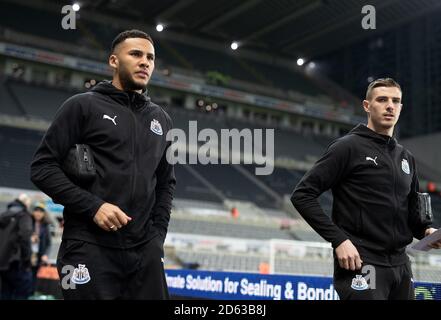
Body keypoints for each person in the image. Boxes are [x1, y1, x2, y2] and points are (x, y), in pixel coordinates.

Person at [30, 29, 176, 299]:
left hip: (144, 252)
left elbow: (166, 183)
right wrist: (93, 206)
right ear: (113, 61)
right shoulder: (81, 106)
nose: (145, 62)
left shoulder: (162, 120)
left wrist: (157, 237)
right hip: (87, 246)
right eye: (135, 54)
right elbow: (42, 168)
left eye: (150, 58)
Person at [291, 78, 441, 300]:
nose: (390, 105)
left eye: (395, 101)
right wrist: (339, 240)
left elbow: (413, 217)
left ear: (401, 107)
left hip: (401, 266)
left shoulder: (406, 158)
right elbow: (302, 195)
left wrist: (427, 232)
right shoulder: (347, 147)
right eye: (382, 100)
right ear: (367, 106)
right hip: (361, 263)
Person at [0, 194, 33, 299]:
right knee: (24, 288)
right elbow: (25, 237)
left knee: (5, 291)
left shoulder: (3, 215)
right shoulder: (24, 215)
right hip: (16, 262)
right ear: (26, 203)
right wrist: (27, 260)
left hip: (2, 262)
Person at [30, 202, 52, 294]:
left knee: (34, 278)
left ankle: (31, 294)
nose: (38, 213)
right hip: (27, 255)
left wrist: (45, 255)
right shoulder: (28, 222)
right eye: (36, 211)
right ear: (33, 212)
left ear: (44, 214)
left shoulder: (45, 226)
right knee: (25, 278)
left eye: (41, 211)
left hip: (38, 256)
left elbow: (49, 243)